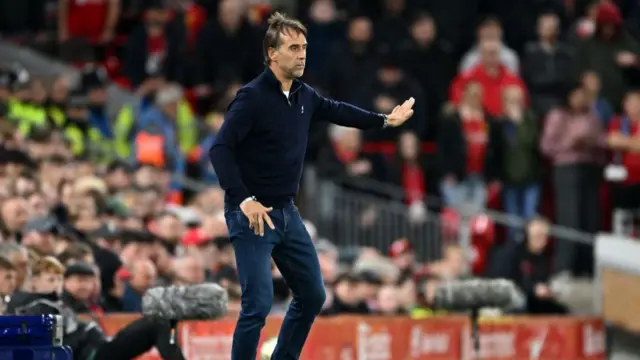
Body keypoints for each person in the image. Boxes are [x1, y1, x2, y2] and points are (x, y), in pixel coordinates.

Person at [209, 12, 415, 360]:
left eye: (304, 47)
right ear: (272, 54)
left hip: (287, 213)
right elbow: (220, 149)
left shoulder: (304, 94)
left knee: (313, 295)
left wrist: (384, 120)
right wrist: (244, 200)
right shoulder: (251, 97)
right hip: (252, 215)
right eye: (293, 47)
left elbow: (339, 111)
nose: (302, 54)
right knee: (257, 305)